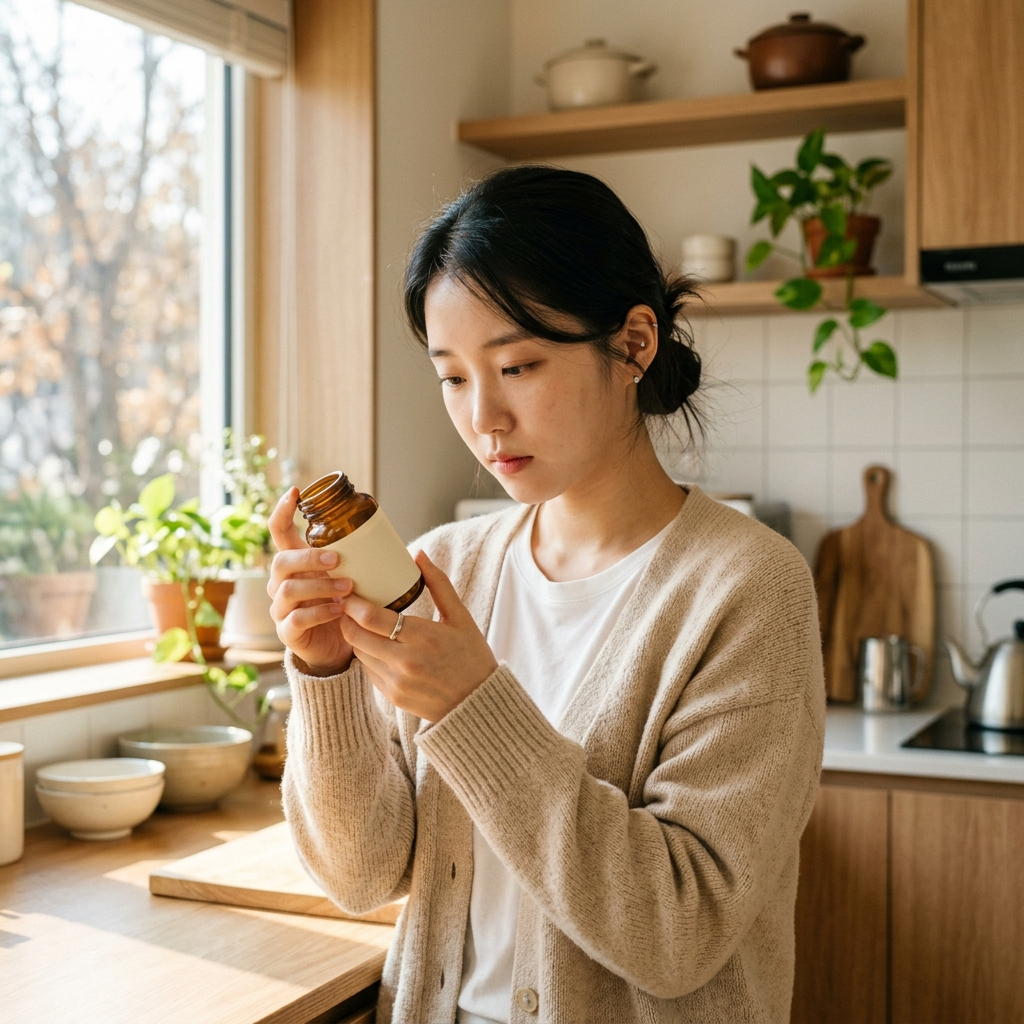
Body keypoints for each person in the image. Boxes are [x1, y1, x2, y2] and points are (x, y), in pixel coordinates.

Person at [268, 166, 824, 1024]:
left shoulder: (750, 589)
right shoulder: (443, 566)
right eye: (452, 376)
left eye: (518, 365)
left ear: (635, 343)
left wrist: (471, 705)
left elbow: (680, 932)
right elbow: (361, 875)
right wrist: (326, 676)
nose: (483, 417)